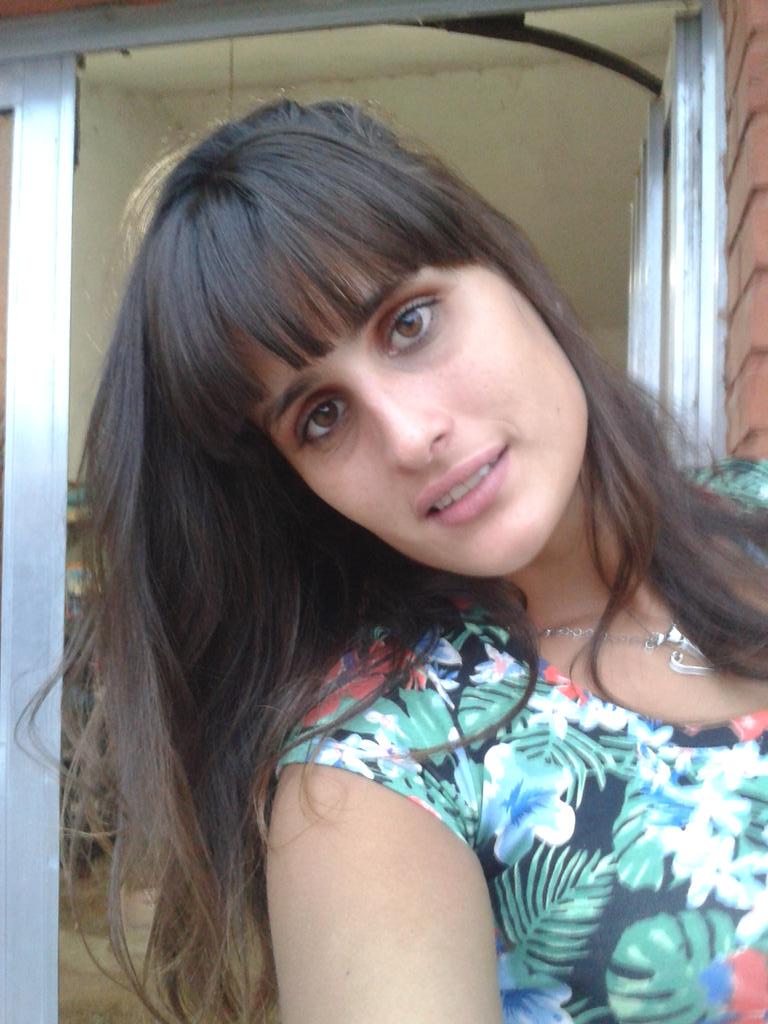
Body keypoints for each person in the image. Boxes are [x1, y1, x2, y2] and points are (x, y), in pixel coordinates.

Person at [57, 99, 768, 1024]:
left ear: (504, 268)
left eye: (409, 324)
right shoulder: (376, 765)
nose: (408, 434)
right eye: (321, 417)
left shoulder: (751, 506)